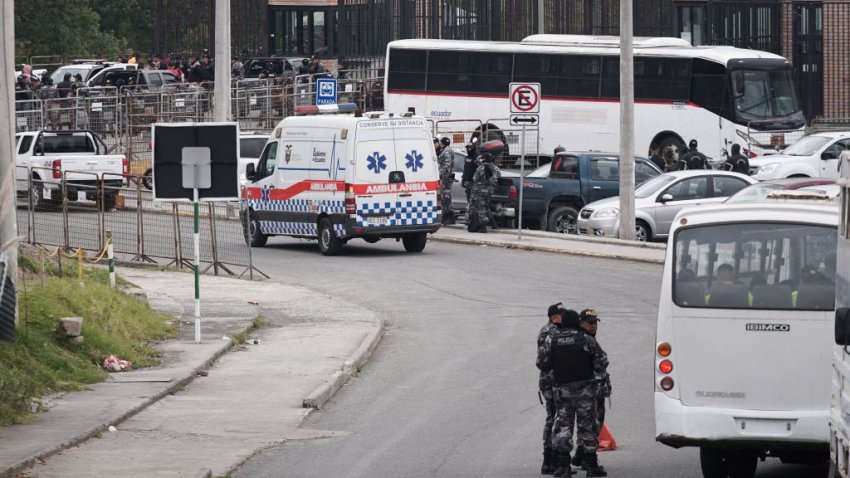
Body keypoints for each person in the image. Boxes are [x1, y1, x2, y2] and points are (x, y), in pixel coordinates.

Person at [540, 307, 609, 477]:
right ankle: (591, 465)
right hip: (585, 391)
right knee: (587, 426)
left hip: (562, 391)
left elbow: (542, 364)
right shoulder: (586, 339)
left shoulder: (552, 340)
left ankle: (563, 466)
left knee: (563, 426)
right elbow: (602, 361)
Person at [572, 309, 611, 472]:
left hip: (590, 389)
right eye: (590, 322)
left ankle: (581, 455)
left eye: (595, 322)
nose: (594, 326)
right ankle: (587, 457)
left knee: (589, 423)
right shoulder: (586, 340)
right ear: (581, 323)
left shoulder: (582, 338)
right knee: (593, 424)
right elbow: (603, 360)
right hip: (591, 390)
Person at [536, 303, 567, 474]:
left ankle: (552, 459)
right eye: (561, 314)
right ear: (553, 316)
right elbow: (543, 362)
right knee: (554, 418)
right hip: (551, 381)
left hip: (557, 381)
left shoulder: (557, 331)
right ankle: (550, 458)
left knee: (557, 418)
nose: (563, 317)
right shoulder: (549, 332)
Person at [467, 140, 502, 233]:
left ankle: (483, 227)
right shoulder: (495, 168)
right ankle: (493, 225)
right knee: (486, 207)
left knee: (480, 208)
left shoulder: (481, 168)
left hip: (480, 190)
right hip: (490, 191)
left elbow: (475, 178)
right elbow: (498, 176)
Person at [437, 137, 455, 225]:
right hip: (446, 177)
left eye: (440, 142)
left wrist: (443, 176)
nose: (439, 143)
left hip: (446, 178)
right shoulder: (447, 150)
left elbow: (447, 165)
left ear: (443, 143)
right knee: (446, 197)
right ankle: (450, 217)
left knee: (445, 198)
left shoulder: (447, 151)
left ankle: (447, 217)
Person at [461, 139, 479, 205]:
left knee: (475, 200)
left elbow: (480, 171)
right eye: (467, 148)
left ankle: (474, 214)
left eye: (470, 148)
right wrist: (463, 179)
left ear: (474, 148)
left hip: (475, 183)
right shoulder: (467, 157)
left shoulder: (477, 157)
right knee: (469, 199)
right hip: (468, 182)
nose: (468, 149)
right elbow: (465, 169)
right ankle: (471, 213)